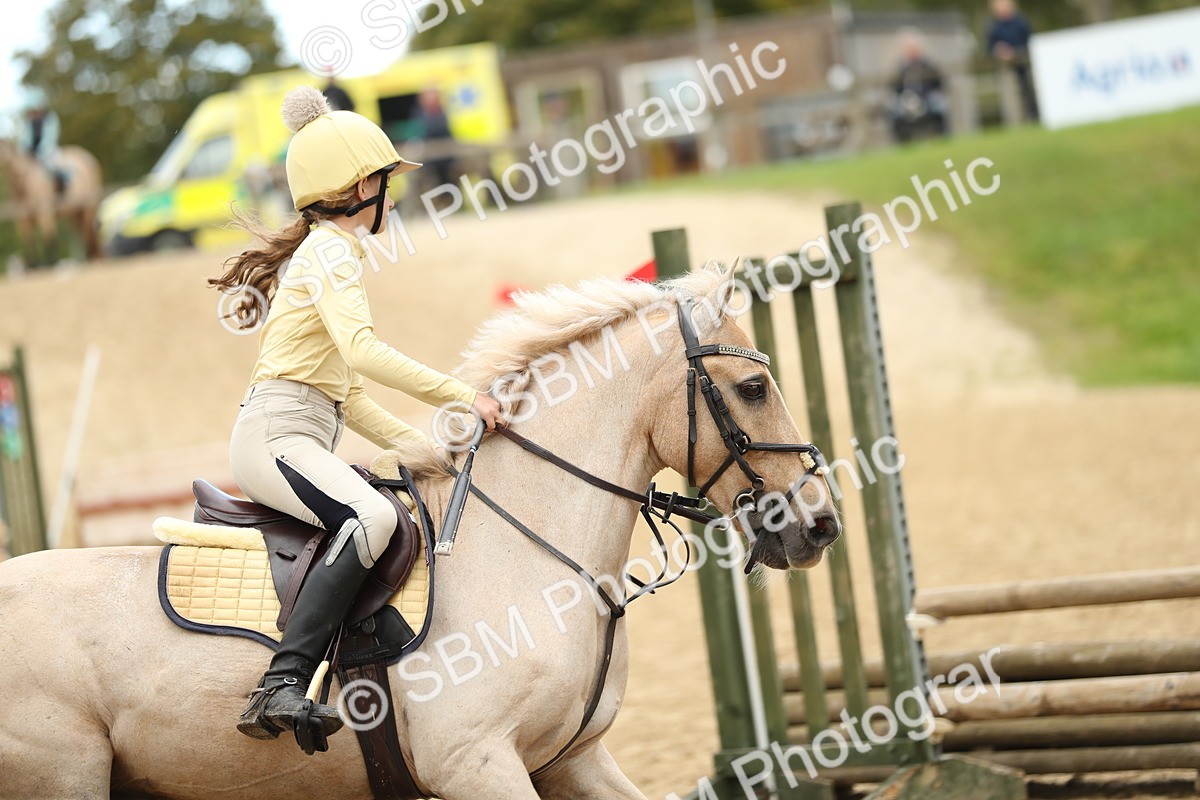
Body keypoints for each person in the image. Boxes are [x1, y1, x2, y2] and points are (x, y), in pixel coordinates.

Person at [209, 86, 503, 744]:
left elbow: (353, 400)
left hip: (300, 431)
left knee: (390, 502)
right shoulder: (331, 251)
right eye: (388, 185)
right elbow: (363, 352)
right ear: (363, 186)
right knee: (371, 517)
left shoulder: (328, 251)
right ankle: (281, 683)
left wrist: (434, 450)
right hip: (275, 437)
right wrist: (463, 396)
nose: (393, 201)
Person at [888, 30, 949, 143]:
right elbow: (895, 87)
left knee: (939, 104)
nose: (912, 52)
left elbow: (940, 83)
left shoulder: (928, 65)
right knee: (894, 110)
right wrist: (904, 98)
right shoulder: (902, 68)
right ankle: (903, 142)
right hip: (907, 100)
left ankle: (942, 137)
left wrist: (931, 94)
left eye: (914, 48)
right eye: (909, 49)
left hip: (927, 98)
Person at [986, 0, 1039, 122]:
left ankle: (1034, 117)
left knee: (1029, 93)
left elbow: (1031, 42)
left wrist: (1015, 52)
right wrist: (998, 51)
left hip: (1024, 64)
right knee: (1010, 98)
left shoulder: (1021, 23)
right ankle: (1015, 121)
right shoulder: (992, 26)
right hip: (1005, 68)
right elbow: (989, 48)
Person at [17, 88, 67, 194]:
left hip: (48, 151)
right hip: (31, 154)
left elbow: (50, 138)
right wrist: (25, 150)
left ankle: (60, 190)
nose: (32, 114)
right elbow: (25, 139)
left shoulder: (50, 119)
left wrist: (40, 152)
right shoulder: (28, 123)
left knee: (54, 166)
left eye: (34, 111)